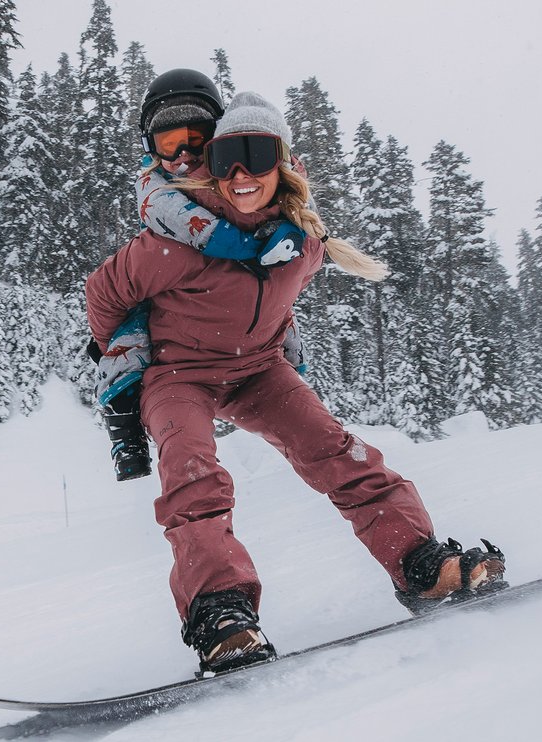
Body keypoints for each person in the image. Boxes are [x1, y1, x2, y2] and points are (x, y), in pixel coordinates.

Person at [85, 91, 507, 674]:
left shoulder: (302, 245)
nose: (236, 173)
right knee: (193, 475)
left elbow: (280, 302)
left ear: (280, 164)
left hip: (259, 369)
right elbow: (102, 296)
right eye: (224, 157)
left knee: (338, 452)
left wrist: (280, 344)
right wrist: (125, 358)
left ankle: (422, 567)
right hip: (180, 375)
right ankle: (221, 614)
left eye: (250, 157)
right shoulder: (165, 246)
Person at [91, 69, 307, 482]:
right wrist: (115, 347)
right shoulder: (160, 199)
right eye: (169, 145)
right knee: (129, 338)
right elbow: (105, 290)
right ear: (151, 150)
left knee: (278, 303)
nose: (184, 156)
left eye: (197, 140)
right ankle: (125, 420)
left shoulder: (246, 182)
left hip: (247, 342)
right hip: (173, 342)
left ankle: (288, 374)